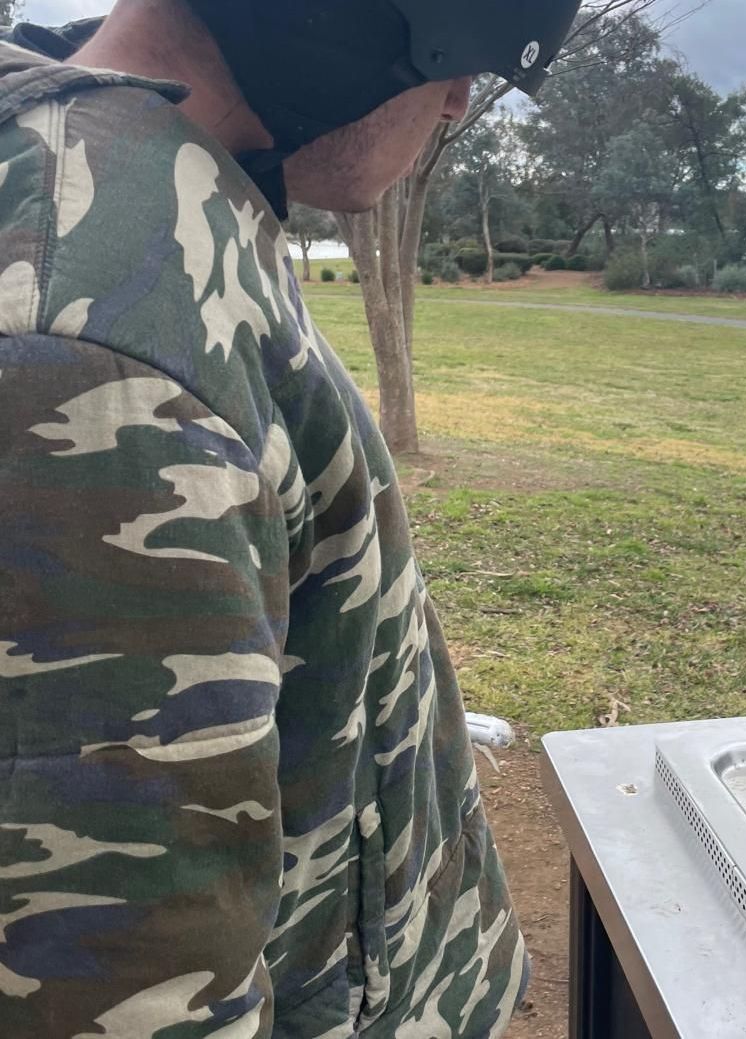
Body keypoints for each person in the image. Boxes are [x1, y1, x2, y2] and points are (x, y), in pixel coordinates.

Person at [0, 1, 581, 1035]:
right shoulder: (94, 341)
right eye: (466, 60)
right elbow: (123, 990)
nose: (458, 100)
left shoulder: (161, 188)